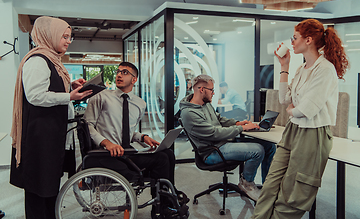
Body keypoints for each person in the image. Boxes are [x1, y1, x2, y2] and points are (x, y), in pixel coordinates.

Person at [252, 19, 349, 219]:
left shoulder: (325, 69)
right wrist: (285, 66)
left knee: (294, 191)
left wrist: (293, 109)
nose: (292, 42)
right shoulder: (301, 69)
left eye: (294, 38)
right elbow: (283, 99)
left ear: (309, 39)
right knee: (271, 183)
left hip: (313, 134)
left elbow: (306, 109)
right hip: (292, 130)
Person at [9, 16, 92, 219]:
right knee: (39, 187)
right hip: (40, 137)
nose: (68, 41)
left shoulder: (52, 60)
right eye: (64, 36)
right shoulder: (38, 60)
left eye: (69, 37)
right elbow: (36, 96)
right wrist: (69, 96)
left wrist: (68, 87)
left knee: (48, 186)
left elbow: (47, 89)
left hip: (49, 135)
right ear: (50, 35)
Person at [83, 61, 188, 218]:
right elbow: (88, 126)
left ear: (134, 79)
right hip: (106, 154)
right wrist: (107, 143)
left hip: (127, 152)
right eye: (118, 71)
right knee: (161, 160)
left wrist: (143, 137)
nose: (119, 74)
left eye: (125, 72)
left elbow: (129, 131)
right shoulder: (101, 98)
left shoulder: (139, 103)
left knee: (167, 154)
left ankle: (166, 199)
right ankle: (165, 204)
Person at [179, 74, 276, 201]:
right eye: (212, 90)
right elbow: (215, 133)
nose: (214, 93)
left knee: (268, 146)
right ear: (201, 89)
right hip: (212, 151)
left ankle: (267, 188)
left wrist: (237, 123)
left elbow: (219, 119)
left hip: (223, 143)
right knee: (257, 150)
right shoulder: (189, 113)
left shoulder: (205, 104)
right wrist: (241, 129)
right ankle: (246, 183)